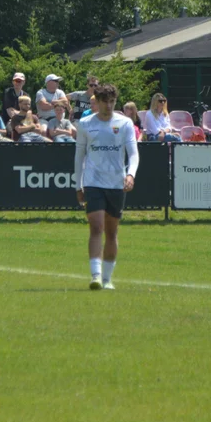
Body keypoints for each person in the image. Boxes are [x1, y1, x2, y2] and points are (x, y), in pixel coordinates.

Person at [74, 84, 139, 290]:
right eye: (105, 101)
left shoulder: (125, 123)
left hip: (116, 183)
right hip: (93, 182)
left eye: (112, 101)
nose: (109, 105)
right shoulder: (85, 124)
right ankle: (95, 275)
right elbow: (79, 156)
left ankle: (107, 279)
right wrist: (78, 184)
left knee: (111, 232)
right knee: (96, 227)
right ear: (97, 102)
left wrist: (131, 174)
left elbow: (134, 153)